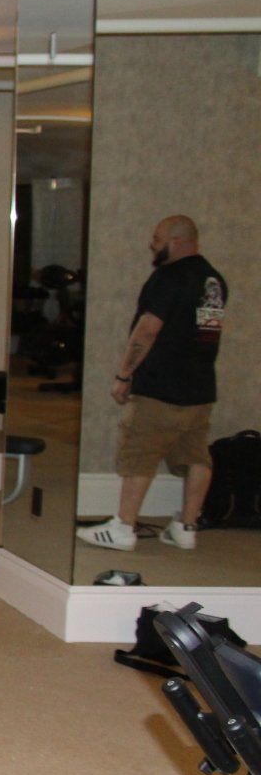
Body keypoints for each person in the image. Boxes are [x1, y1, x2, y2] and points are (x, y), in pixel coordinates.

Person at [77, 215, 228, 551]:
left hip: (161, 387)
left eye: (157, 238)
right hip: (200, 388)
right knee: (196, 457)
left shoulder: (168, 277)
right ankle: (186, 526)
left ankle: (123, 527)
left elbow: (147, 329)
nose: (152, 244)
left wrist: (124, 375)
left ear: (175, 241)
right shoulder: (213, 280)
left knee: (139, 454)